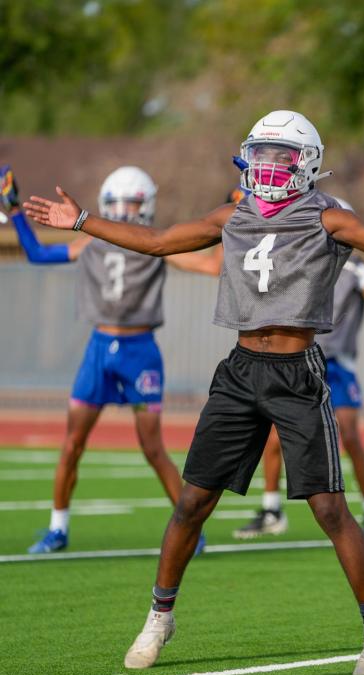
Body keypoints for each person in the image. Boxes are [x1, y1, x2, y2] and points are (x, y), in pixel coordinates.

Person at [24, 109, 364, 675]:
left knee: (329, 507)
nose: (271, 168)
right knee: (191, 502)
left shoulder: (326, 217)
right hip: (240, 370)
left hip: (297, 372)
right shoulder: (234, 213)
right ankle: (160, 615)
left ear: (308, 166)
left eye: (283, 158)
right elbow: (156, 241)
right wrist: (81, 220)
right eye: (263, 155)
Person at [1, 165, 211, 554]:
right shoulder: (92, 241)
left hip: (140, 351)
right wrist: (14, 211)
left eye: (131, 203)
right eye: (117, 203)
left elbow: (212, 265)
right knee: (72, 444)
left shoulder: (156, 243)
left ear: (145, 205)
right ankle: (57, 528)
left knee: (152, 448)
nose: (124, 211)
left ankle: (191, 529)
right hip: (100, 348)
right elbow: (37, 254)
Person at [235, 198, 364, 543]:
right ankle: (271, 509)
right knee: (275, 437)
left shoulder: (355, 270)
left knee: (350, 437)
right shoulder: (302, 262)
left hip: (337, 364)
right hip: (301, 362)